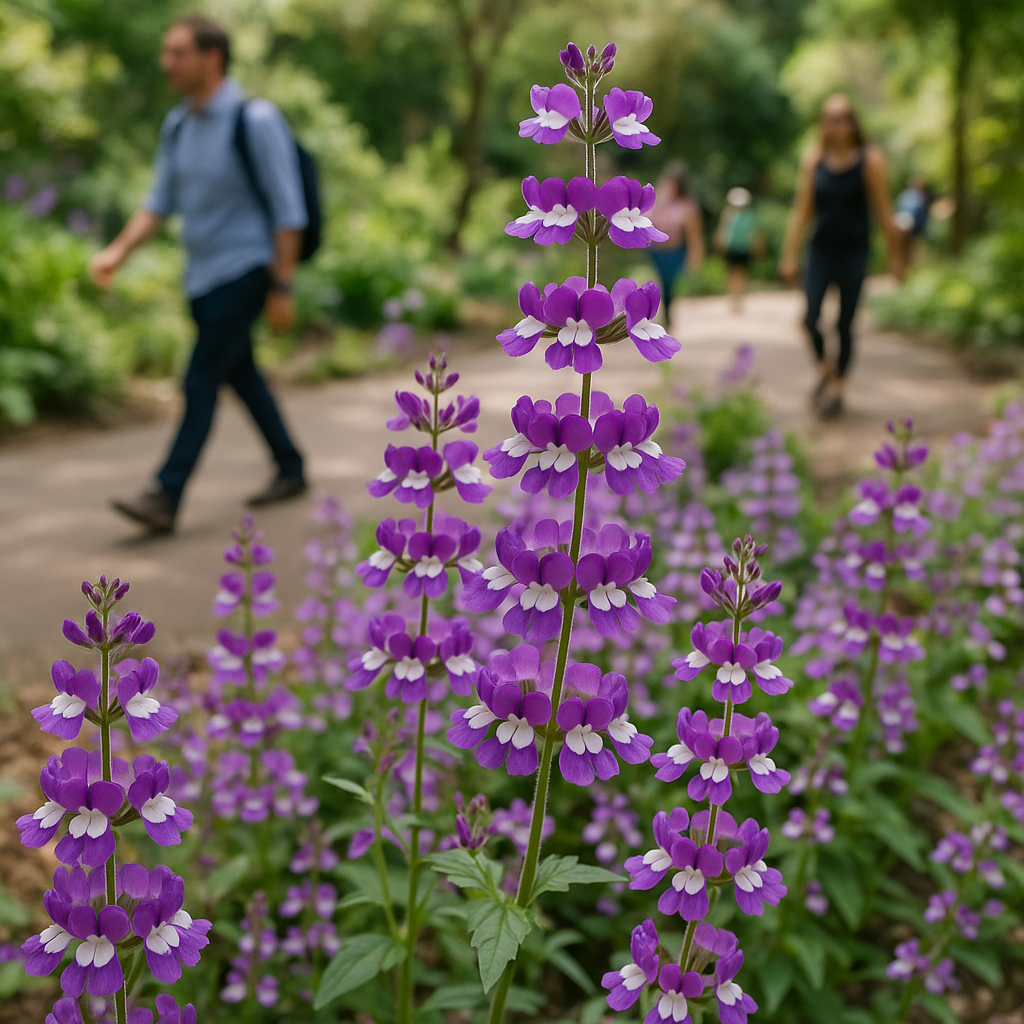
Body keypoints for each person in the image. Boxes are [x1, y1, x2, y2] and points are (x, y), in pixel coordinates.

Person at [91, 14, 308, 534]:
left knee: (200, 377)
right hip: (201, 277)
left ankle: (165, 495)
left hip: (246, 270)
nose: (167, 62)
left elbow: (288, 209)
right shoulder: (179, 124)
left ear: (212, 57)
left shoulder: (254, 120)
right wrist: (118, 251)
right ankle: (290, 465)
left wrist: (281, 284)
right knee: (242, 374)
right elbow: (159, 202)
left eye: (178, 53)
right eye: (167, 52)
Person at [778, 93, 903, 419]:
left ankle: (836, 387)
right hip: (821, 250)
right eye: (831, 118)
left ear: (853, 122)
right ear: (824, 124)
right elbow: (802, 210)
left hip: (854, 252)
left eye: (844, 116)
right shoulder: (814, 161)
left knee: (844, 324)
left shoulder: (869, 160)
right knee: (809, 319)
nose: (838, 123)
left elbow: (884, 212)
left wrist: (896, 257)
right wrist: (789, 255)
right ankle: (827, 370)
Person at [648, 161, 704, 322]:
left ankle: (667, 313)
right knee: (660, 282)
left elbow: (694, 235)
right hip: (656, 250)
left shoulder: (687, 205)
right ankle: (662, 312)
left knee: (669, 283)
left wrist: (695, 257)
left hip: (674, 250)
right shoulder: (659, 199)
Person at [714, 186, 762, 313]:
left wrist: (756, 246)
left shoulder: (748, 215)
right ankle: (734, 298)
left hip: (743, 247)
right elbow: (723, 230)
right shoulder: (729, 214)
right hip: (732, 247)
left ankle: (738, 298)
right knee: (734, 274)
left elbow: (754, 233)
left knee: (740, 274)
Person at [894, 174, 929, 268]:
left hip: (907, 226)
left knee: (905, 249)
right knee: (910, 249)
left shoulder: (904, 195)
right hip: (912, 228)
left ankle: (905, 269)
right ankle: (907, 269)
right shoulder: (918, 197)